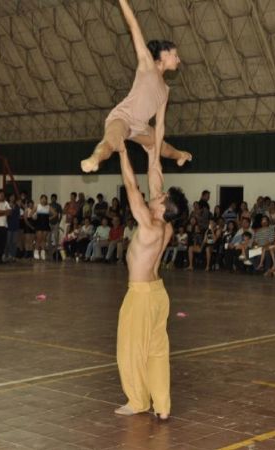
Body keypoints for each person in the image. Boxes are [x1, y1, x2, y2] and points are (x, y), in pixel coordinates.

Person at [112, 112, 188, 421]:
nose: (157, 193)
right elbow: (155, 170)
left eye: (161, 196)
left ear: (162, 207)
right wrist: (153, 144)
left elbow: (131, 186)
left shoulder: (149, 223)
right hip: (159, 295)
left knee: (130, 350)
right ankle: (163, 406)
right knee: (157, 352)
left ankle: (138, 401)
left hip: (142, 295)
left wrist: (121, 151)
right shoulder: (166, 226)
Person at [80, 0, 192, 174]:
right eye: (175, 55)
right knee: (112, 140)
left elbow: (160, 126)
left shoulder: (165, 90)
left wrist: (155, 161)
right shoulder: (147, 64)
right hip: (123, 117)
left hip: (140, 127)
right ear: (164, 54)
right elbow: (133, 26)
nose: (178, 60)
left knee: (160, 144)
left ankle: (180, 155)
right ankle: (94, 159)